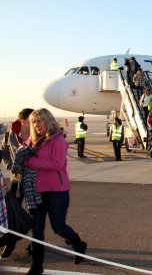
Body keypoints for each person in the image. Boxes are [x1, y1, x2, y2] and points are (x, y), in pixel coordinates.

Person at [25, 108, 87, 274]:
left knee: (58, 227)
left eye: (39, 121)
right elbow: (22, 155)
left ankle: (78, 244)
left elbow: (56, 164)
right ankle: (36, 265)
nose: (36, 125)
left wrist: (31, 162)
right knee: (36, 229)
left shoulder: (57, 140)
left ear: (48, 121)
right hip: (36, 192)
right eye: (33, 122)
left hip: (56, 192)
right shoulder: (32, 141)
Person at [0, 108, 33, 259]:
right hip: (16, 180)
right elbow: (3, 152)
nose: (32, 124)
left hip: (33, 180)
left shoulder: (37, 134)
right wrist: (9, 165)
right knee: (12, 213)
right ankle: (10, 243)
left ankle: (35, 244)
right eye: (29, 121)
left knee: (35, 212)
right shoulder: (9, 135)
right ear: (21, 121)